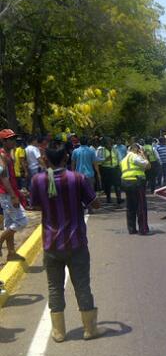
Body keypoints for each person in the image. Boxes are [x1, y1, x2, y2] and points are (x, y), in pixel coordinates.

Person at [30, 140, 106, 342]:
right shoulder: (78, 178)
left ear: (45, 159)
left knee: (54, 287)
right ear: (67, 157)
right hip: (76, 243)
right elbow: (95, 204)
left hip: (51, 244)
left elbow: (36, 206)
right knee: (82, 285)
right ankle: (90, 329)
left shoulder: (37, 180)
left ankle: (59, 332)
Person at [0, 129, 28, 261]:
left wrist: (18, 192)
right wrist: (13, 196)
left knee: (9, 223)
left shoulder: (8, 154)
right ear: (3, 141)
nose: (13, 141)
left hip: (9, 193)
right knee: (22, 221)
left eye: (13, 138)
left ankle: (11, 253)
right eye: (10, 139)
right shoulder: (2, 155)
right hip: (6, 195)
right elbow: (4, 178)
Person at [121, 143, 150, 235]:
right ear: (136, 150)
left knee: (130, 206)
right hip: (136, 182)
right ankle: (143, 229)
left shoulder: (124, 159)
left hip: (126, 182)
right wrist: (143, 155)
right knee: (141, 206)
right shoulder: (134, 157)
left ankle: (131, 229)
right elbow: (148, 165)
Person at [96, 137, 122, 205]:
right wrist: (105, 159)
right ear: (104, 143)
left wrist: (120, 168)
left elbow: (119, 158)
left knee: (117, 184)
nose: (109, 144)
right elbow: (97, 160)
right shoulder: (101, 149)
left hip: (115, 168)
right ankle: (108, 198)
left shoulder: (114, 149)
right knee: (108, 185)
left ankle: (119, 198)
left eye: (110, 142)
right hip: (106, 169)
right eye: (108, 143)